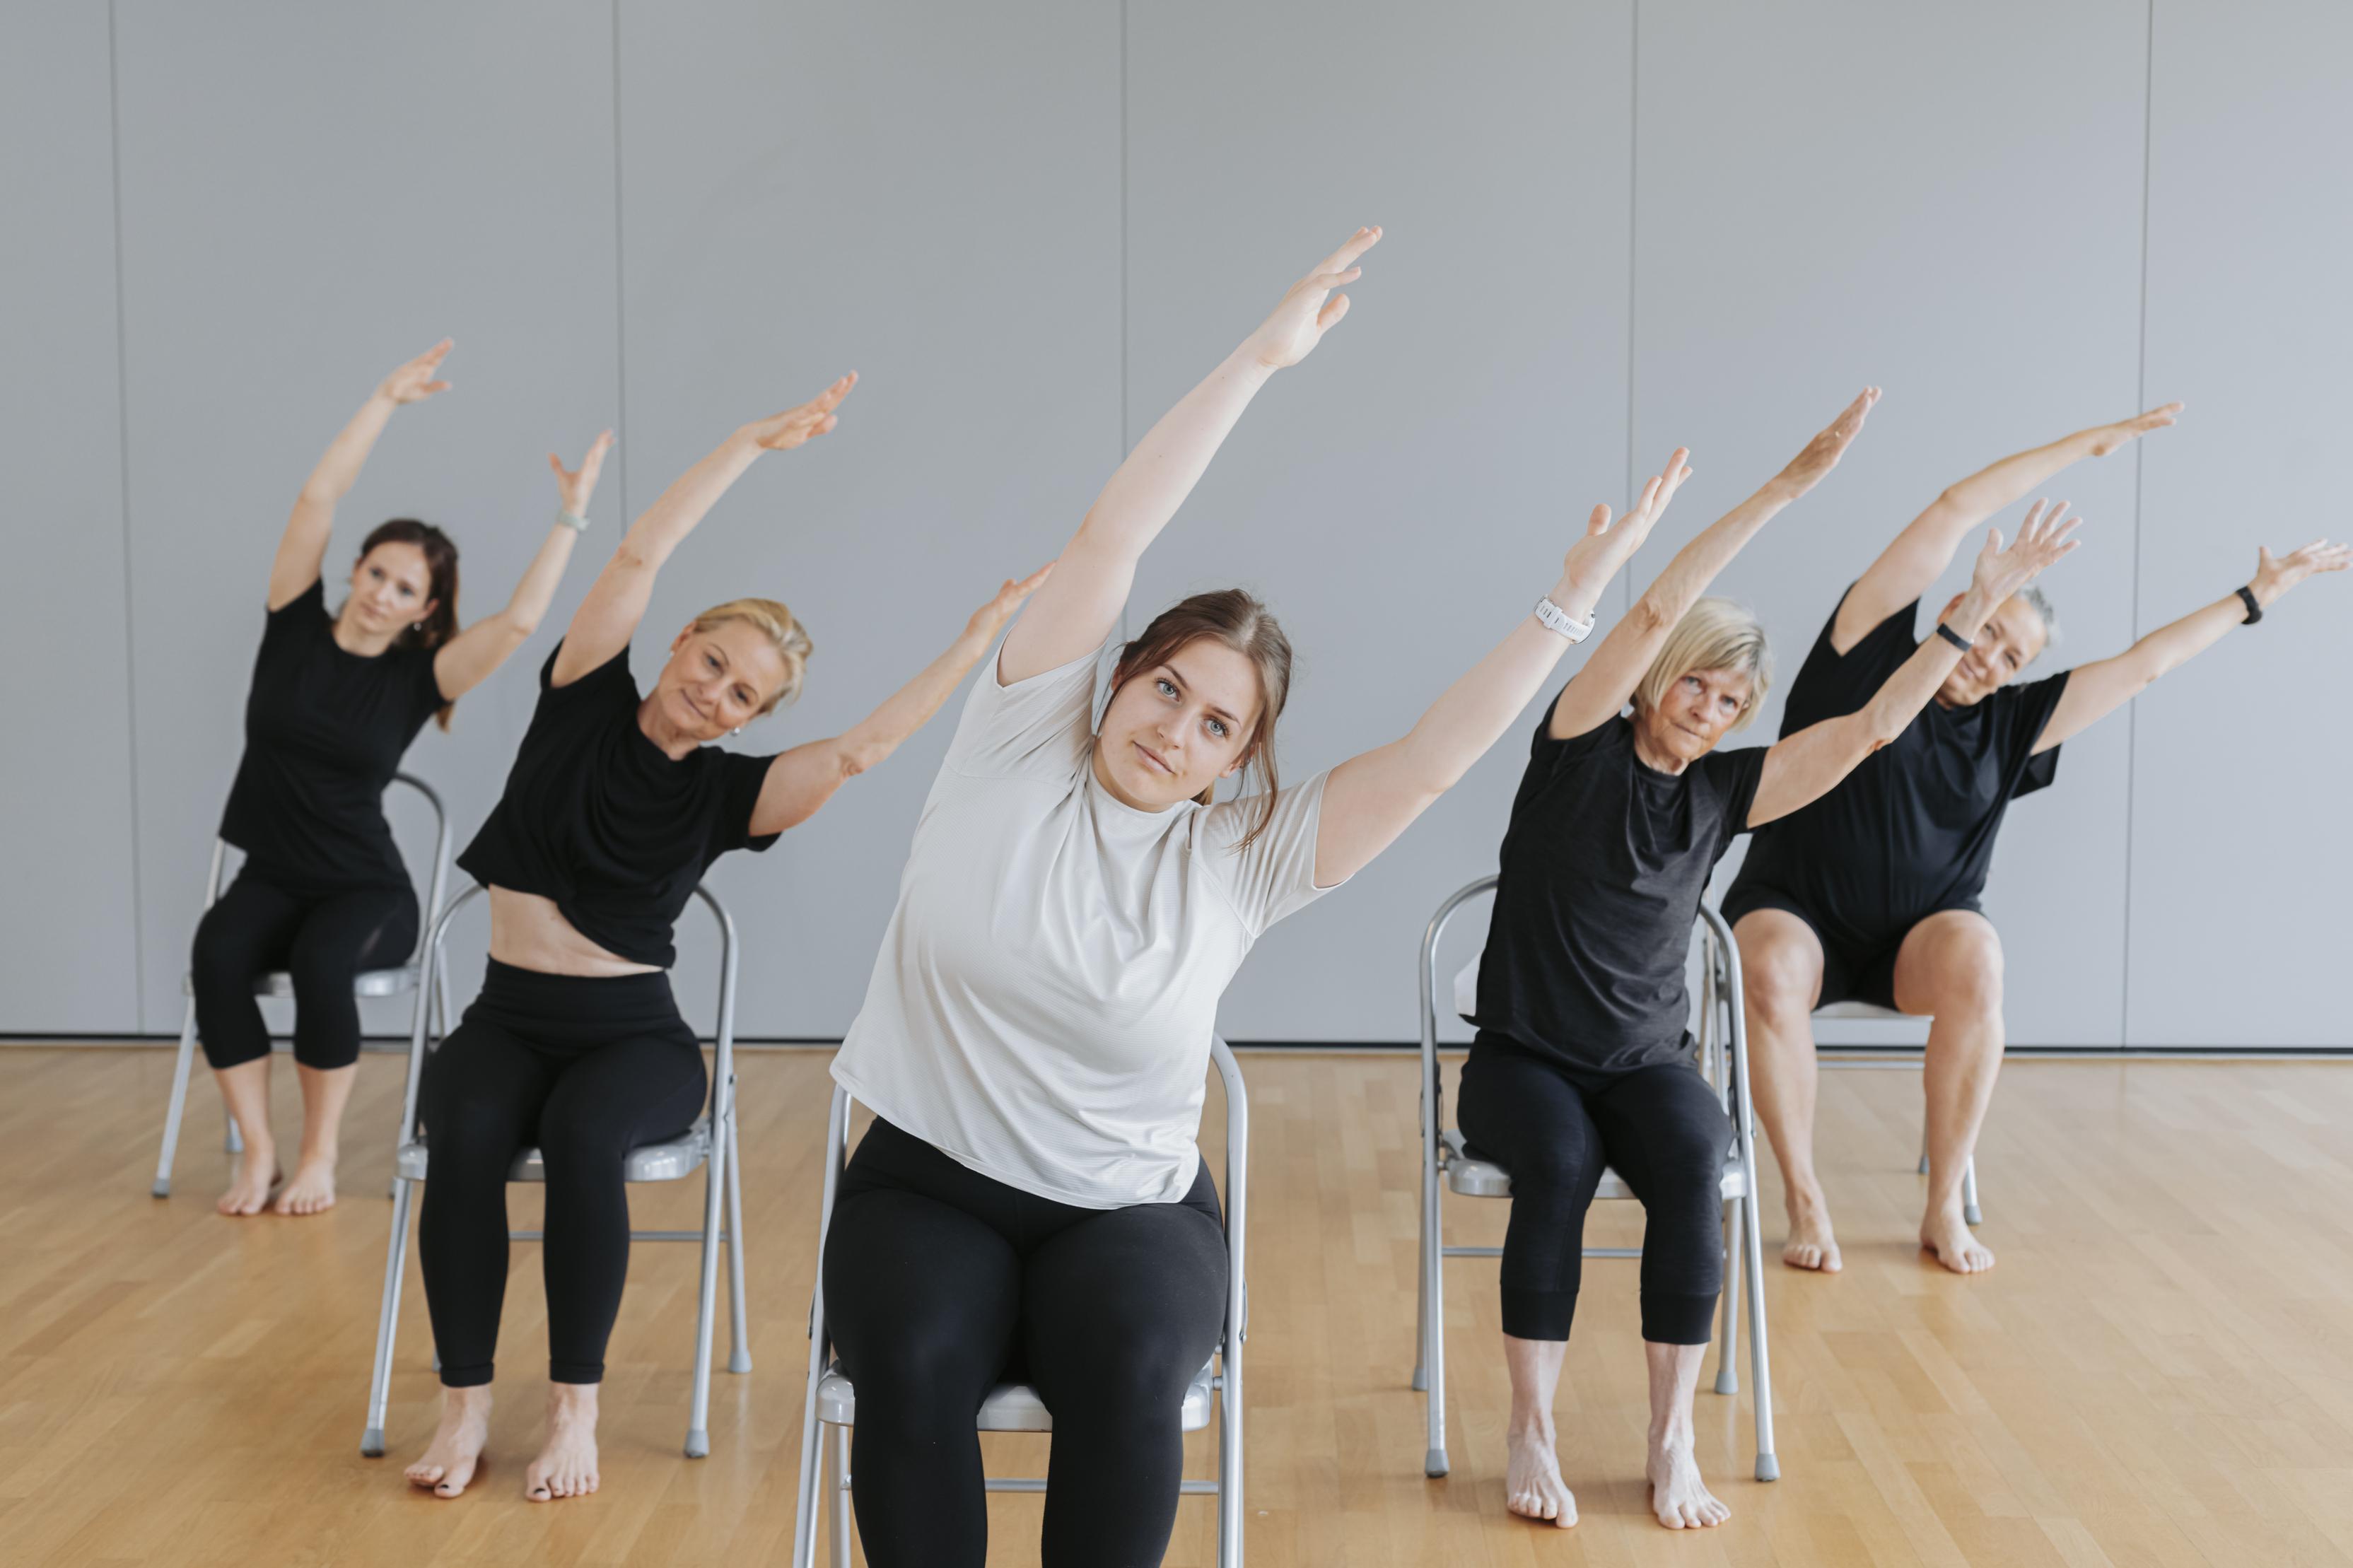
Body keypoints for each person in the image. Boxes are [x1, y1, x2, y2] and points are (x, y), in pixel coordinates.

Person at [819, 226, 1690, 1568]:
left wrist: (1571, 607)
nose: (1177, 726)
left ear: (1239, 758)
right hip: (926, 1181)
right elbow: (1112, 533)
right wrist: (1256, 362)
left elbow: (1426, 760)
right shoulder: (1009, 747)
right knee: (916, 1359)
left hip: (1129, 1206)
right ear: (1117, 679)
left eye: (1218, 722)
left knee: (1126, 1368)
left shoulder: (1237, 860)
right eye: (1166, 684)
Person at [401, 373, 1049, 1504]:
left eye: (745, 695)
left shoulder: (724, 798)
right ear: (682, 643)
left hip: (630, 1041)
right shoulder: (581, 694)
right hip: (504, 1014)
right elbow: (638, 557)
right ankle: (461, 1409)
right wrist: (747, 445)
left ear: (751, 721)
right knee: (461, 1124)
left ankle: (574, 1412)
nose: (716, 695)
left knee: (583, 1133)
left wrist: (977, 639)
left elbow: (859, 752)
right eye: (713, 663)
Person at [1464, 389, 2081, 1532]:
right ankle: (1530, 1428)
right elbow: (1651, 610)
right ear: (1659, 682)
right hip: (1524, 1057)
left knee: (1695, 1155)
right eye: (1697, 683)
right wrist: (1785, 491)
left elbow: (1868, 731)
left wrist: (1971, 614)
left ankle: (1669, 1437)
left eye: (1732, 697)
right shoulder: (1575, 750)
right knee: (1555, 1158)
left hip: (1643, 1056)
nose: (1709, 706)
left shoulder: (1722, 790)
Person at [1724, 404, 2349, 1277]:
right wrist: (2083, 448)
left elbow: (2147, 663)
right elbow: (1948, 509)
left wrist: (2254, 600)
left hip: (1918, 937)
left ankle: (1942, 1204)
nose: (1990, 659)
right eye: (1987, 632)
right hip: (1797, 914)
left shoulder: (2015, 725)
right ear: (1957, 606)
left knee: (1979, 959)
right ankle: (1802, 1193)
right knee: (1766, 966)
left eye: (2012, 657)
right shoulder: (1863, 653)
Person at [192, 339, 608, 1217]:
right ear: (356, 571)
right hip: (273, 873)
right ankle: (257, 1151)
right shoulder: (291, 626)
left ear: (425, 610)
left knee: (319, 961)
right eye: (376, 571)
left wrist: (570, 517)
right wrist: (382, 400)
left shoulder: (419, 679)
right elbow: (318, 498)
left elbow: (525, 623)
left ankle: (318, 1157)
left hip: (362, 889)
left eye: (404, 587)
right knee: (217, 951)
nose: (382, 591)